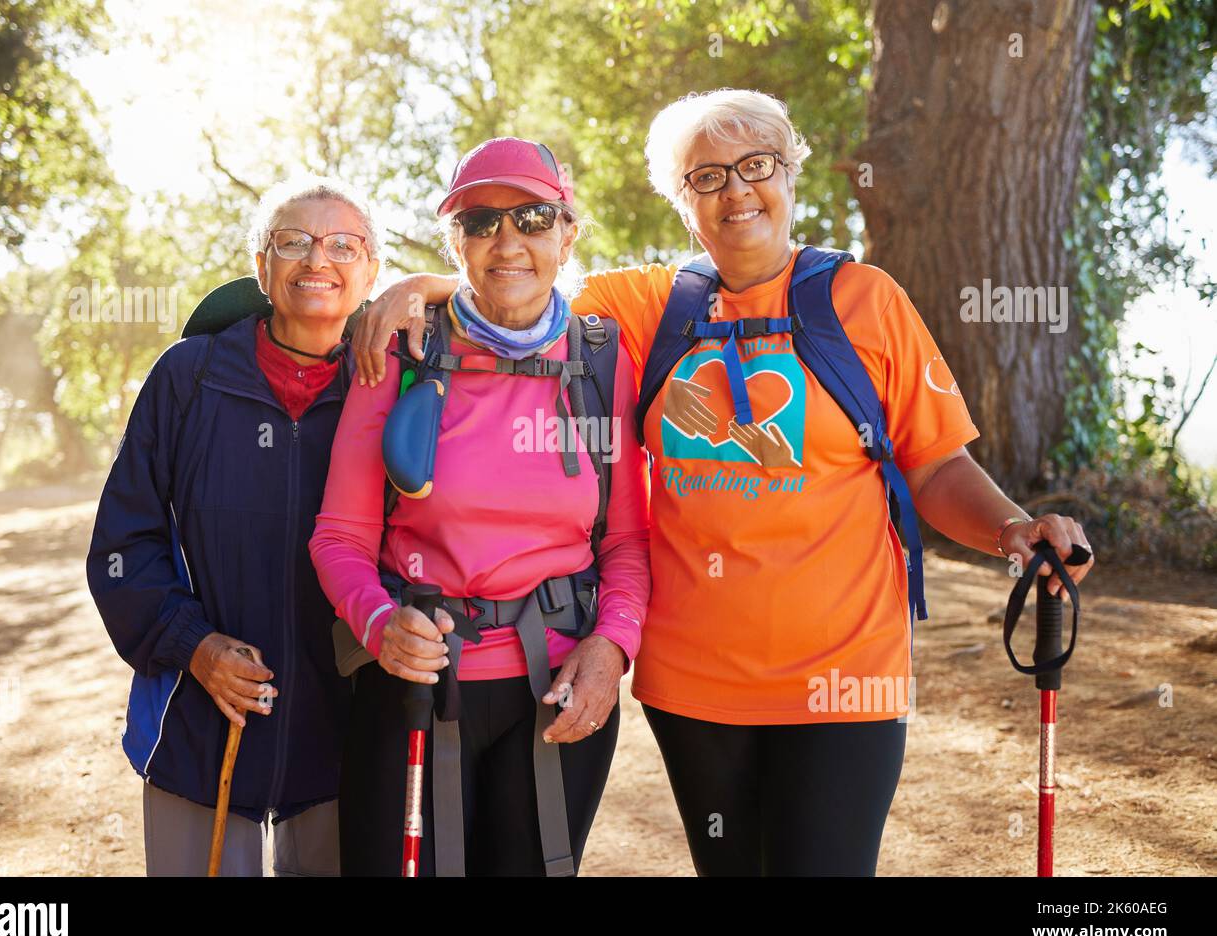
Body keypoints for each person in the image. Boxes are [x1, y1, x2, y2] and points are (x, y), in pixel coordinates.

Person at [353, 90, 1095, 876]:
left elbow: (938, 464)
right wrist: (423, 286)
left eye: (756, 165)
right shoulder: (639, 307)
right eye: (706, 176)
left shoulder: (866, 302)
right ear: (681, 200)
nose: (737, 190)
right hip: (694, 685)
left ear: (790, 172)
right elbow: (517, 289)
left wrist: (1013, 528)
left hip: (844, 675)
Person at [309, 137, 650, 876]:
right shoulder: (401, 350)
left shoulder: (599, 359)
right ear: (455, 241)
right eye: (480, 221)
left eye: (531, 218)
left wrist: (612, 647)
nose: (507, 242)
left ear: (568, 233)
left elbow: (626, 541)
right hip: (414, 690)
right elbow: (338, 535)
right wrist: (378, 623)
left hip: (558, 691)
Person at [87, 174, 379, 875]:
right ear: (261, 267)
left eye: (344, 244)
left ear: (372, 272)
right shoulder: (186, 379)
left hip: (348, 732)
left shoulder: (390, 388)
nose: (317, 260)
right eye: (292, 243)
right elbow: (124, 545)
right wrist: (193, 645)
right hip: (199, 722)